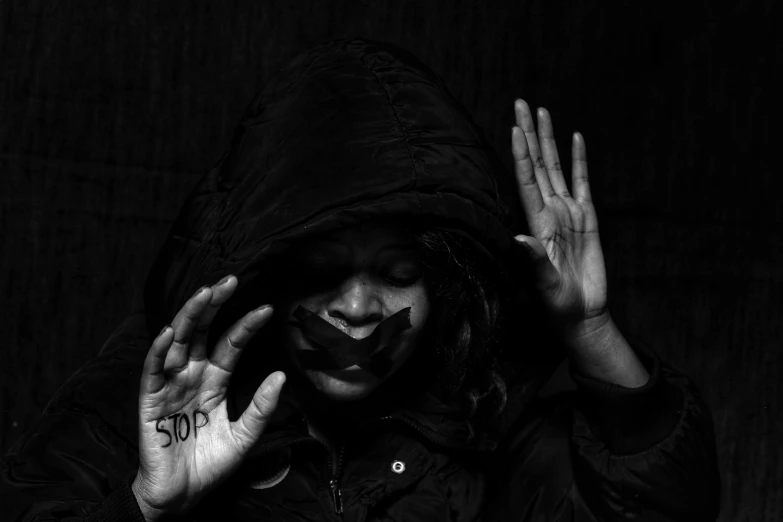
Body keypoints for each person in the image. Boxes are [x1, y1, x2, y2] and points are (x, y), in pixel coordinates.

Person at [0, 37, 721, 521]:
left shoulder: (480, 418)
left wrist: (587, 330)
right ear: (267, 278)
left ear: (445, 286)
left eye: (397, 271)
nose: (355, 308)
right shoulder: (144, 401)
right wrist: (147, 506)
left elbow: (666, 510)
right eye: (321, 272)